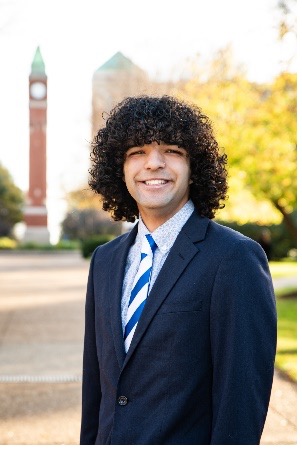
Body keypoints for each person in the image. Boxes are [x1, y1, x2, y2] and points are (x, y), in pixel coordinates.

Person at [80, 95, 277, 445]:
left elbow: (241, 401)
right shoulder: (104, 261)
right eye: (136, 152)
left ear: (194, 167)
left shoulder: (235, 258)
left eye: (171, 150)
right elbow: (96, 387)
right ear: (119, 168)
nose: (153, 163)